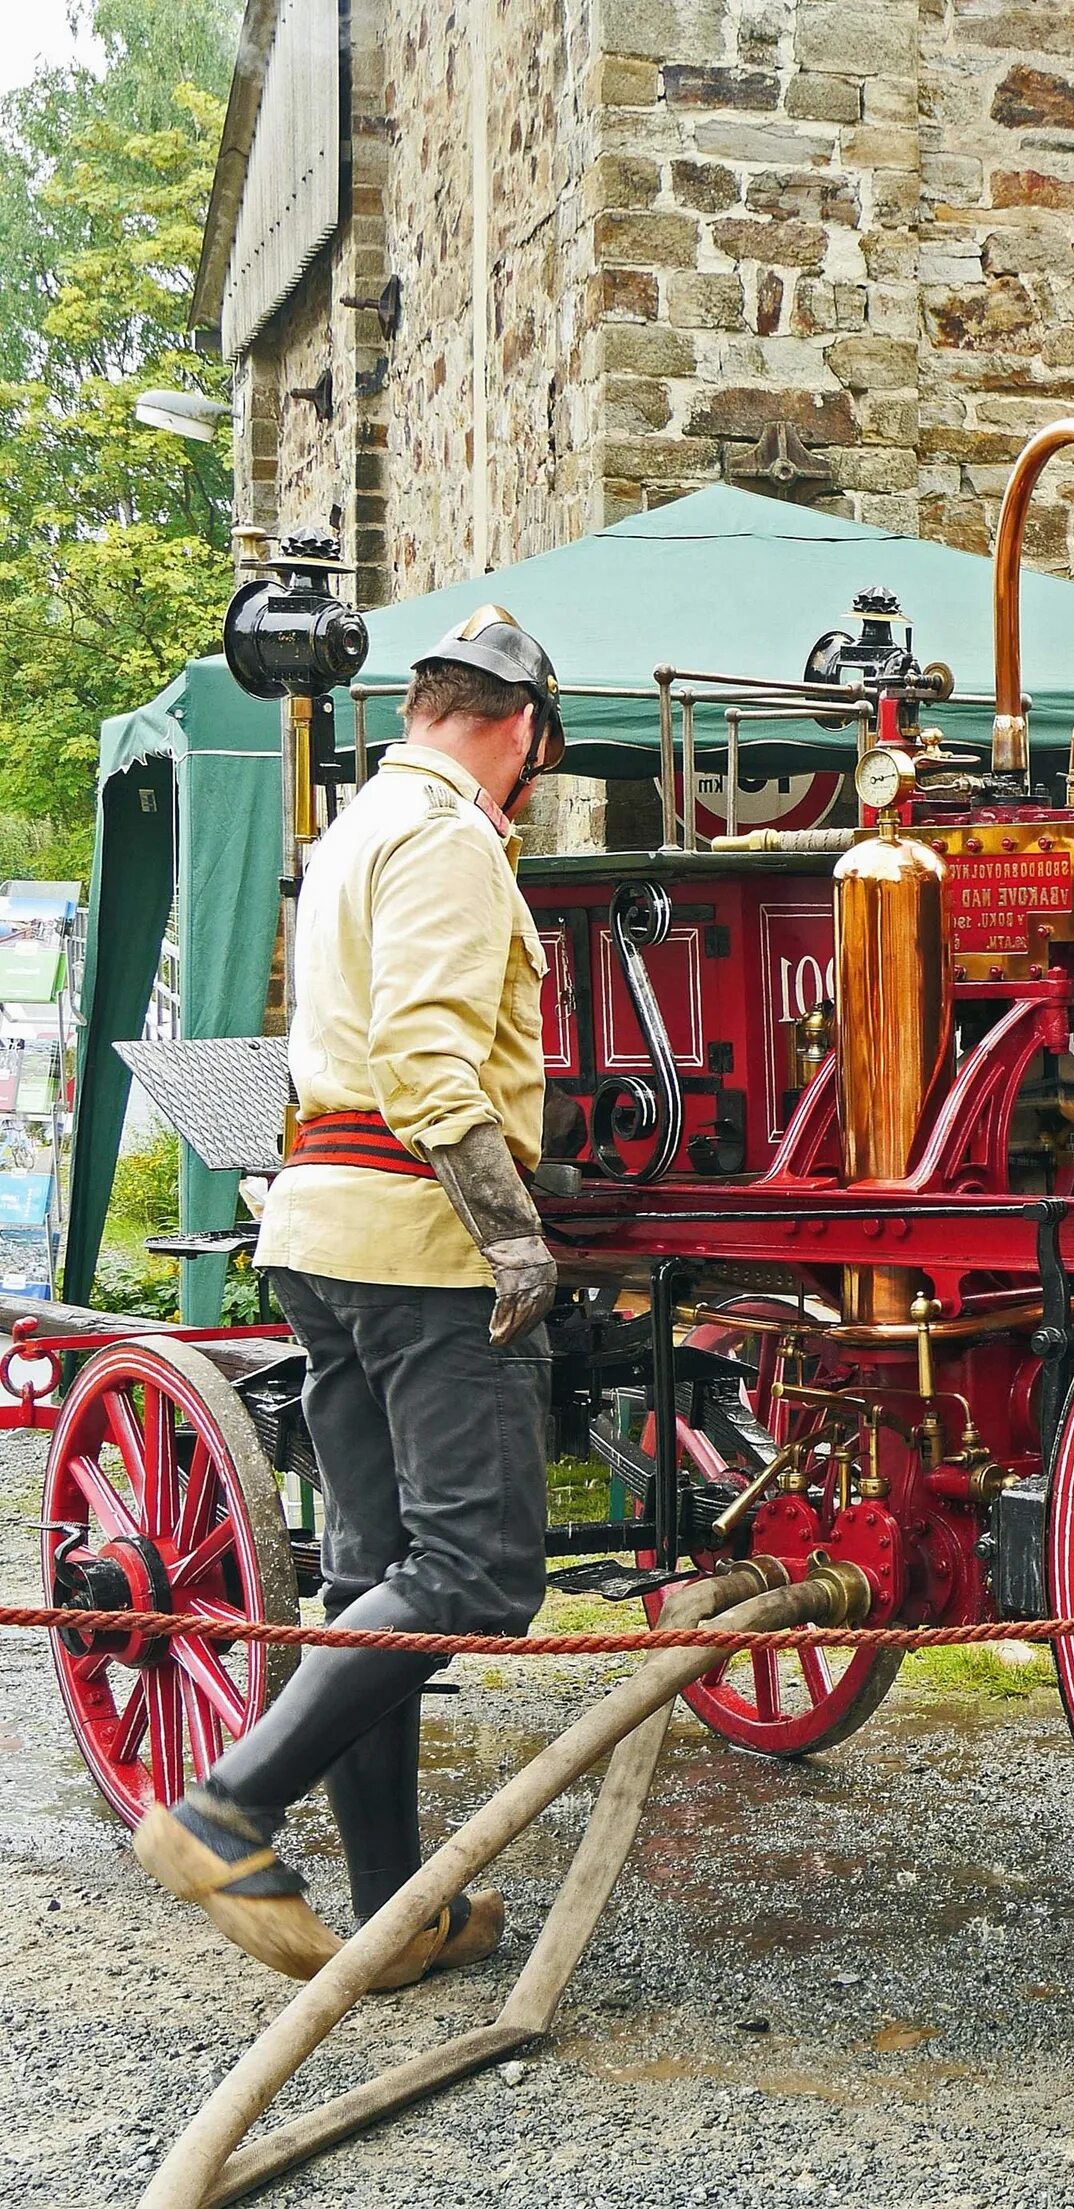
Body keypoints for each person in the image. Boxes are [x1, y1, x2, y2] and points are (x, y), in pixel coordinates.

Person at [133, 608, 566, 1986]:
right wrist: (514, 1235)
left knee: (376, 1574)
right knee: (475, 1576)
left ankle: (394, 1914)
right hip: (416, 1237)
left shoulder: (362, 824)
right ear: (518, 730)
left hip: (324, 1225)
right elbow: (434, 1057)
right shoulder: (446, 835)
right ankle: (227, 1806)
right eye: (532, 763)